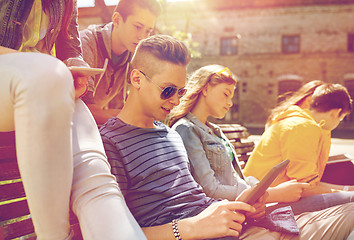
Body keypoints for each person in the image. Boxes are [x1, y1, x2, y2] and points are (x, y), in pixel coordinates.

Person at [101, 34, 354, 240]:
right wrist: (191, 228)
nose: (176, 100)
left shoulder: (169, 134)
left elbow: (196, 198)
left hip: (231, 227)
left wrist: (239, 206)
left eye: (180, 91)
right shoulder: (111, 143)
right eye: (167, 90)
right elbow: (110, 234)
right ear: (137, 79)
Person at [0, 1, 145, 239]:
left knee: (95, 178)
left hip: (48, 84)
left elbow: (69, 43)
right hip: (30, 79)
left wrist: (75, 67)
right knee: (48, 77)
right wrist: (49, 69)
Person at [168, 65, 353, 213]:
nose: (230, 103)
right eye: (226, 94)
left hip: (246, 206)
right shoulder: (186, 129)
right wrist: (270, 194)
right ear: (206, 88)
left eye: (232, 96)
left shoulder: (215, 130)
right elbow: (210, 190)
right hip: (227, 213)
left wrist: (259, 193)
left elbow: (237, 179)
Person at [243, 81, 354, 196]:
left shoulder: (298, 122)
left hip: (267, 191)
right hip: (269, 199)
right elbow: (305, 186)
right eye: (342, 118)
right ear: (336, 113)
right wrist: (347, 190)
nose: (338, 123)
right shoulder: (303, 127)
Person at [80, 0, 161, 125]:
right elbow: (85, 110)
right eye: (138, 27)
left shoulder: (133, 54)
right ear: (117, 20)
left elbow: (128, 106)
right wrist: (136, 118)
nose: (142, 37)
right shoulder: (86, 43)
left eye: (147, 31)